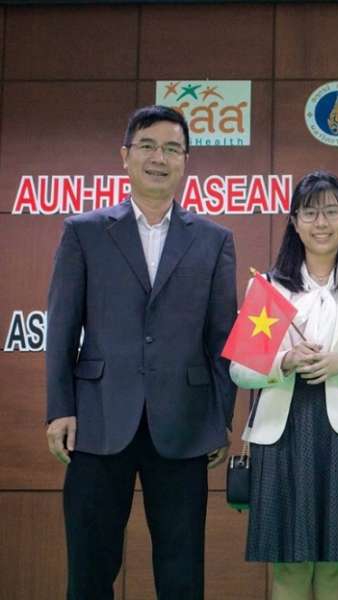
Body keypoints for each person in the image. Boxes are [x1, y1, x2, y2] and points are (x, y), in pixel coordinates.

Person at [45, 105, 238, 599]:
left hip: (184, 423)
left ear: (186, 161)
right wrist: (60, 408)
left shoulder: (214, 240)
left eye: (172, 149)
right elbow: (61, 329)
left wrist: (219, 418)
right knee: (89, 570)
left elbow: (222, 338)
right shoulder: (84, 232)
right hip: (98, 418)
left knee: (181, 573)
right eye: (148, 146)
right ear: (125, 156)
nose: (159, 158)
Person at [230, 170, 338, 600]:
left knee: (336, 568)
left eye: (332, 212)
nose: (322, 223)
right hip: (282, 434)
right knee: (289, 566)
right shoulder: (268, 287)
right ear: (294, 223)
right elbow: (240, 371)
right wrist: (284, 361)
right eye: (310, 213)